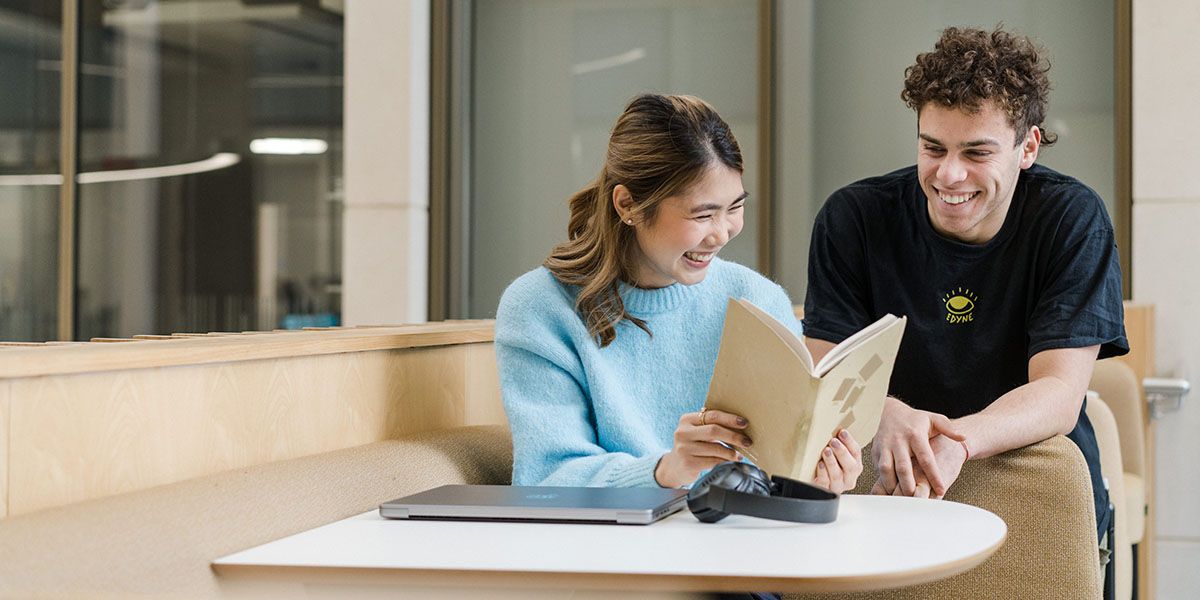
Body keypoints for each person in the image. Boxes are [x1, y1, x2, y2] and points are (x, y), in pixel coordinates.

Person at [801, 26, 1128, 548]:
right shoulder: (854, 218)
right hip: (887, 491)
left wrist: (957, 441)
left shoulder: (1072, 218)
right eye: (933, 147)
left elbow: (1059, 393)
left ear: (1028, 147)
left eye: (977, 153)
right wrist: (888, 411)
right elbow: (822, 370)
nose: (949, 175)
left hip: (1035, 490)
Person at [496, 93, 862, 496]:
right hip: (611, 551)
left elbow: (776, 471)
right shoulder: (541, 309)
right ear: (628, 205)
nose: (722, 233)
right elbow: (547, 479)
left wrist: (816, 479)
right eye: (703, 215)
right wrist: (665, 470)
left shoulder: (755, 299)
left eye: (734, 208)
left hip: (746, 544)